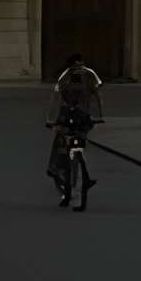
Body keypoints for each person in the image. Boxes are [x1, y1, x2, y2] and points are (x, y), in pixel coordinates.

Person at [46, 54, 103, 205]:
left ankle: (82, 174)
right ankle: (57, 169)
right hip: (67, 116)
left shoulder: (89, 77)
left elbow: (97, 97)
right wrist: (51, 120)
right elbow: (56, 98)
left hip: (82, 117)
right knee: (60, 145)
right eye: (76, 66)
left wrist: (98, 116)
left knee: (80, 146)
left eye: (81, 66)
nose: (79, 70)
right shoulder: (65, 79)